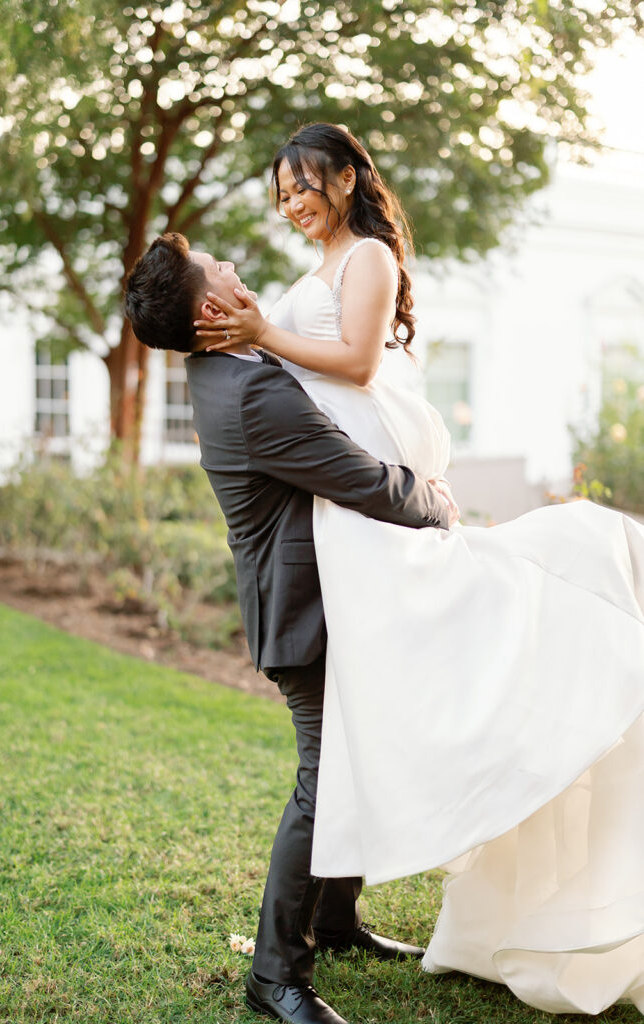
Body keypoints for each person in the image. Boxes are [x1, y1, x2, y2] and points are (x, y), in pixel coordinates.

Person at [192, 123, 644, 1016]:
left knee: (357, 746)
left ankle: (318, 931)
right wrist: (262, 331)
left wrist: (262, 330)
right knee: (343, 755)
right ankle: (302, 946)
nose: (292, 202)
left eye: (305, 183)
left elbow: (358, 364)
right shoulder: (289, 307)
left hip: (369, 519)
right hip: (348, 529)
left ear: (350, 176)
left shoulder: (365, 260)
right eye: (280, 190)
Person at [124, 231, 457, 1024]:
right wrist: (440, 500)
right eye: (219, 266)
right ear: (212, 306)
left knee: (353, 757)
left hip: (325, 596)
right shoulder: (249, 392)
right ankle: (275, 975)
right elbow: (362, 482)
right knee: (323, 778)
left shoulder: (224, 370)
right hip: (302, 609)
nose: (235, 266)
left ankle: (336, 920)